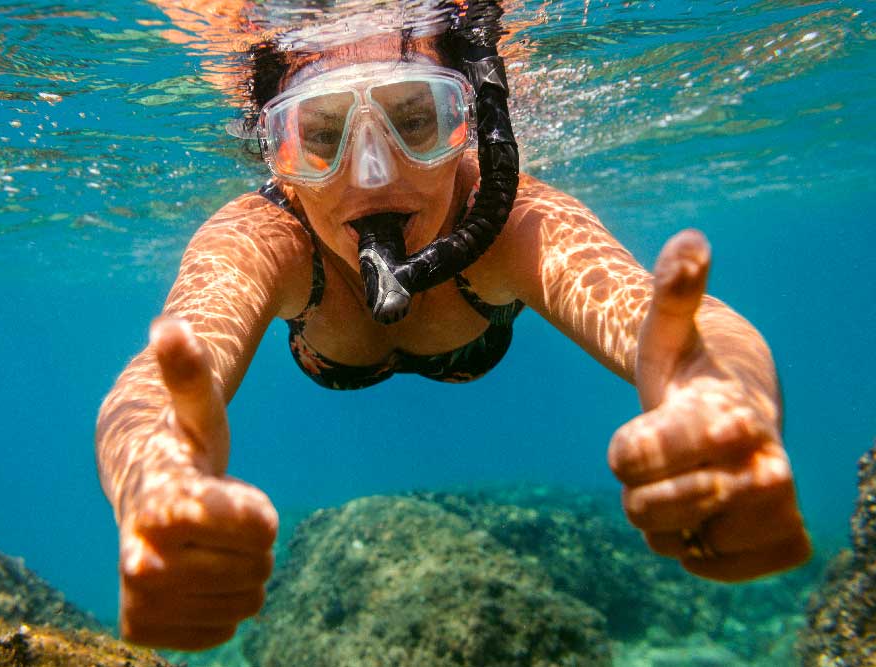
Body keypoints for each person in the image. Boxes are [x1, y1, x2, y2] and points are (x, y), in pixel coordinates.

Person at [95, 2, 811, 651]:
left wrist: (721, 397)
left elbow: (664, 317)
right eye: (320, 134)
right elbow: (152, 387)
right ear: (276, 151)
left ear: (470, 124)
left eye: (415, 121)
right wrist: (154, 479)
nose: (372, 177)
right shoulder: (267, 235)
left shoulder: (512, 222)